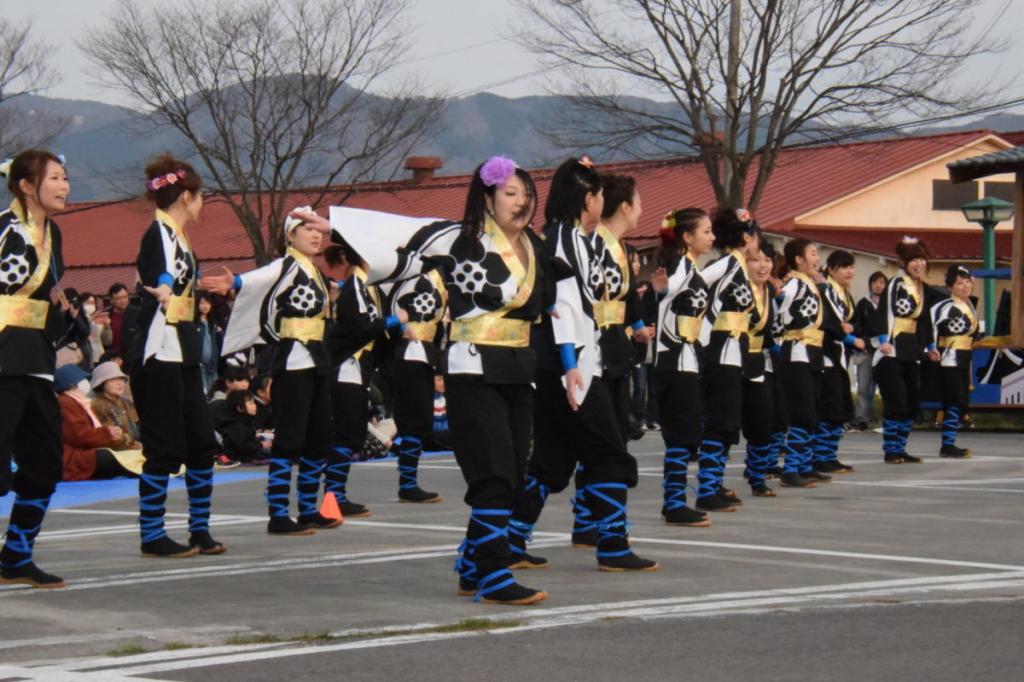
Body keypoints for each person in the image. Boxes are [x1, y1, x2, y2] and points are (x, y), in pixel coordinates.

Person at [323, 156, 550, 604]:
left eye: (526, 195)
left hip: (520, 367)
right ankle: (491, 572)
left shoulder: (536, 247)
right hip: (473, 364)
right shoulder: (459, 239)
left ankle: (472, 563)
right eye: (509, 194)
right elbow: (401, 242)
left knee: (515, 469)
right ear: (486, 198)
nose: (520, 203)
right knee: (492, 470)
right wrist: (335, 224)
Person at [511, 157, 657, 574]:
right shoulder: (563, 240)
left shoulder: (571, 237)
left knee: (553, 458)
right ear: (588, 199)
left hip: (570, 361)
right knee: (610, 451)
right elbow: (564, 311)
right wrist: (572, 365)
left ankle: (511, 538)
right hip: (568, 364)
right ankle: (612, 544)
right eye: (597, 195)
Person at [206, 208, 338, 535]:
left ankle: (308, 508)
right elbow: (262, 276)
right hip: (294, 359)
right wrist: (236, 281)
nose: (314, 234)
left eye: (317, 230)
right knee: (290, 437)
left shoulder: (316, 271)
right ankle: (278, 513)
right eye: (305, 229)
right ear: (290, 235)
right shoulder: (288, 264)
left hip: (316, 358)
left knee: (318, 435)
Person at [126, 154, 224, 558]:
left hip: (182, 347)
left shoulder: (178, 235)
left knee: (201, 441)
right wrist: (163, 285)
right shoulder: (159, 234)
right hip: (158, 349)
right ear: (186, 196)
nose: (202, 205)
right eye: (200, 198)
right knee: (163, 444)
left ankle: (199, 528)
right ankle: (152, 534)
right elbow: (158, 270)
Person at [0, 150, 70, 588]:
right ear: (27, 186)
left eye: (66, 178)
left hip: (37, 361)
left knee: (44, 461)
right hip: (2, 358)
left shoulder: (54, 232)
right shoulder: (4, 229)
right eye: (55, 178)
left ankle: (16, 555)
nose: (64, 186)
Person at [322, 240, 407, 516]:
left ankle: (335, 494)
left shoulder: (361, 288)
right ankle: (334, 496)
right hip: (346, 368)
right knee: (345, 434)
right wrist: (394, 321)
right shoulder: (355, 287)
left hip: (356, 368)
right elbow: (361, 328)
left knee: (350, 433)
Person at [694, 208, 762, 512]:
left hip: (734, 352)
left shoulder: (737, 266)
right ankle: (706, 489)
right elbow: (696, 287)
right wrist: (702, 339)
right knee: (720, 422)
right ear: (746, 237)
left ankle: (714, 482)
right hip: (720, 351)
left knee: (727, 422)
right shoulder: (728, 264)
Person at [650, 208, 714, 525]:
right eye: (706, 231)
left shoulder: (692, 267)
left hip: (688, 359)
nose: (711, 237)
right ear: (687, 237)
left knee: (687, 432)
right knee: (680, 433)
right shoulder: (679, 266)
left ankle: (675, 500)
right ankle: (673, 503)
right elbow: (663, 290)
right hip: (673, 359)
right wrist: (660, 290)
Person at [385, 252, 446, 503]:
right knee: (414, 419)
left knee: (421, 419)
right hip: (409, 353)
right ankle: (407, 483)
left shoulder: (441, 283)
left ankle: (409, 481)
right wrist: (398, 326)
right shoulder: (413, 278)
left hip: (424, 354)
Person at [871, 237, 933, 464]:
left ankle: (901, 447)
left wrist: (931, 345)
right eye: (913, 259)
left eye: (921, 259)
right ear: (904, 262)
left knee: (912, 402)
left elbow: (925, 320)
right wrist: (883, 339)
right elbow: (884, 312)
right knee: (896, 400)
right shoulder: (896, 283)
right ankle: (891, 450)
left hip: (911, 348)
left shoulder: (921, 287)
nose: (918, 264)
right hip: (892, 348)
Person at [775, 238, 830, 488]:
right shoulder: (794, 283)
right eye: (813, 253)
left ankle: (804, 465)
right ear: (798, 259)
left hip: (813, 351)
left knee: (813, 410)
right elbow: (780, 316)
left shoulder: (811, 283)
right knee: (802, 411)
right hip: (796, 352)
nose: (817, 259)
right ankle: (791, 469)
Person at [813, 250, 865, 474]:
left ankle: (830, 455)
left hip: (840, 355)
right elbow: (830, 322)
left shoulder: (844, 292)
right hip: (826, 354)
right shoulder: (826, 289)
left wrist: (851, 331)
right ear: (832, 269)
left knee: (840, 408)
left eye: (852, 267)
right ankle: (820, 456)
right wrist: (849, 336)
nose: (850, 271)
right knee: (830, 407)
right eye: (845, 267)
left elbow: (847, 322)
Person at [928, 264, 980, 458]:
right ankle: (947, 444)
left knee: (960, 401)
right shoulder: (945, 306)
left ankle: (949, 443)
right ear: (950, 288)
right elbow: (930, 326)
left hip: (964, 356)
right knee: (953, 399)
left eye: (967, 281)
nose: (965, 286)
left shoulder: (969, 305)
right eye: (959, 283)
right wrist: (931, 348)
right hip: (949, 356)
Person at [740, 241, 780, 497]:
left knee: (763, 422)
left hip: (758, 362)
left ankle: (756, 476)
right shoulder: (738, 290)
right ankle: (712, 485)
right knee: (726, 425)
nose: (762, 265)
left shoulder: (770, 293)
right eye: (756, 259)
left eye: (767, 260)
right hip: (734, 360)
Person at [56, 364, 139, 481]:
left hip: (94, 448)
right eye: (83, 379)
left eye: (121, 379)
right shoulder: (66, 403)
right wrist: (108, 434)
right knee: (108, 457)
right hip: (74, 457)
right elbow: (79, 435)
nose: (86, 382)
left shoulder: (81, 402)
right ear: (72, 384)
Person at [851, 271, 887, 430]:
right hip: (866, 349)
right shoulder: (863, 304)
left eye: (882, 282)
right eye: (876, 282)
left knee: (885, 386)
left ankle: (886, 419)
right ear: (870, 285)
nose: (879, 286)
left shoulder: (889, 305)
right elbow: (856, 327)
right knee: (864, 385)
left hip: (884, 349)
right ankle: (861, 418)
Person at [90, 360, 143, 451]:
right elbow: (113, 438)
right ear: (102, 383)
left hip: (136, 446)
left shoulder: (125, 401)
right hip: (118, 451)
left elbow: (138, 426)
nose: (119, 383)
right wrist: (137, 446)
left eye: (121, 379)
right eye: (113, 379)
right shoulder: (98, 405)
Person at [101, 283, 138, 356]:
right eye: (118, 298)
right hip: (110, 357)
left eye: (125, 297)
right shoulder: (105, 315)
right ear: (111, 300)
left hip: (130, 358)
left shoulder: (137, 314)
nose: (123, 301)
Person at [197, 291, 222, 394]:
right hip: (199, 364)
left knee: (213, 392)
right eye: (202, 303)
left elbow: (220, 344)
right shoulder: (195, 323)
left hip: (212, 365)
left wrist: (220, 332)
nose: (205, 306)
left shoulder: (213, 323)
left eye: (207, 303)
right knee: (203, 392)